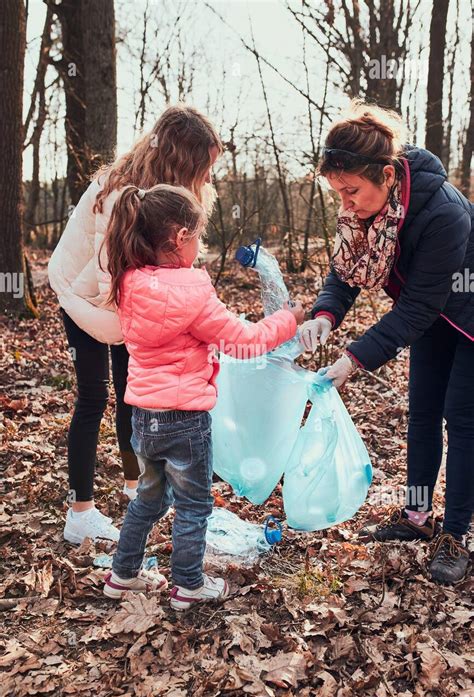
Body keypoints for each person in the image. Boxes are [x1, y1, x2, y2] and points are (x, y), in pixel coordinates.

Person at [100, 183, 305, 609]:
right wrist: (289, 319)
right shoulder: (191, 290)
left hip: (143, 414)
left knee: (148, 498)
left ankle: (122, 574)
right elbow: (244, 342)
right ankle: (188, 584)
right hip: (185, 419)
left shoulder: (129, 282)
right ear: (179, 237)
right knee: (194, 506)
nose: (200, 246)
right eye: (197, 237)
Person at [300, 100, 473, 584]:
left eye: (352, 191)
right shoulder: (366, 209)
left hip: (469, 313)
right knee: (421, 414)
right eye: (338, 193)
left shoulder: (443, 213)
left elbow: (416, 307)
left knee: (461, 421)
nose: (346, 203)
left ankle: (456, 535)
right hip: (432, 313)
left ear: (387, 174)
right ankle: (417, 517)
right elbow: (346, 270)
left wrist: (353, 360)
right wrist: (325, 315)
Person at [47, 105, 222, 545]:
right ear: (183, 159)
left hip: (127, 304)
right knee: (93, 399)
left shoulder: (173, 197)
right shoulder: (116, 193)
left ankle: (136, 489)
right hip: (83, 296)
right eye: (203, 166)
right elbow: (110, 277)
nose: (207, 177)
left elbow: (175, 265)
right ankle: (80, 512)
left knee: (135, 397)